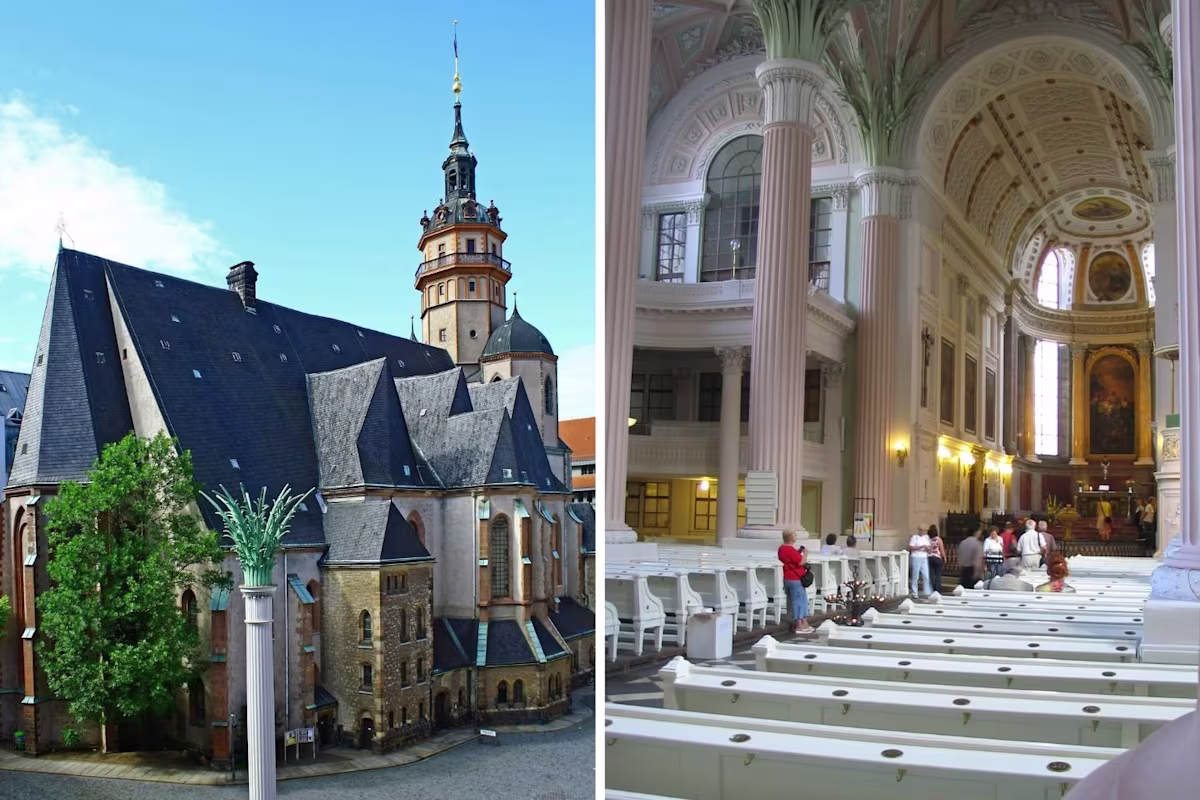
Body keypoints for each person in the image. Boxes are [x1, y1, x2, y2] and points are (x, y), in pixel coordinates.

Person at [777, 531, 813, 634]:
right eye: (795, 535)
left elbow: (790, 560)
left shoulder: (781, 549)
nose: (796, 536)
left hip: (789, 577)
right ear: (791, 537)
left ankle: (804, 622)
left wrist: (798, 553)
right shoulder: (788, 549)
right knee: (798, 601)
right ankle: (799, 624)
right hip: (795, 578)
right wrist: (805, 554)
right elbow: (801, 562)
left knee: (801, 600)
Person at [908, 525, 932, 597]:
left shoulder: (926, 538)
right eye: (921, 530)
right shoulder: (914, 537)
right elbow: (911, 547)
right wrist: (921, 547)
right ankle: (914, 591)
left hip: (924, 556)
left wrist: (927, 548)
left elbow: (929, 548)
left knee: (926, 575)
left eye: (924, 530)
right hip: (916, 556)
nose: (923, 532)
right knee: (915, 575)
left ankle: (927, 591)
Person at [927, 525, 946, 593]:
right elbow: (941, 549)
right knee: (938, 575)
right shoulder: (938, 539)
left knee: (931, 574)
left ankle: (932, 588)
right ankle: (937, 589)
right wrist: (944, 557)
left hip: (929, 557)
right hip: (937, 558)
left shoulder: (927, 539)